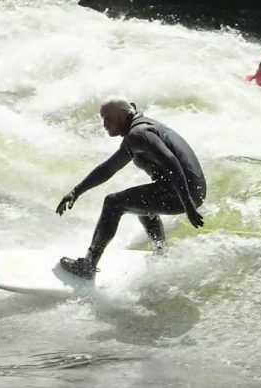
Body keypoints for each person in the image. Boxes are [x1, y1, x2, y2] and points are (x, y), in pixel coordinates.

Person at [56, 97, 207, 278]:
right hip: (190, 189)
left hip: (183, 191)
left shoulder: (138, 134)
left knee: (114, 203)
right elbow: (109, 167)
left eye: (107, 118)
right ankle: (161, 254)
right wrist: (76, 191)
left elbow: (173, 165)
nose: (104, 124)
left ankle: (88, 264)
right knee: (142, 206)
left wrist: (188, 205)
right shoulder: (139, 130)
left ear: (122, 114)